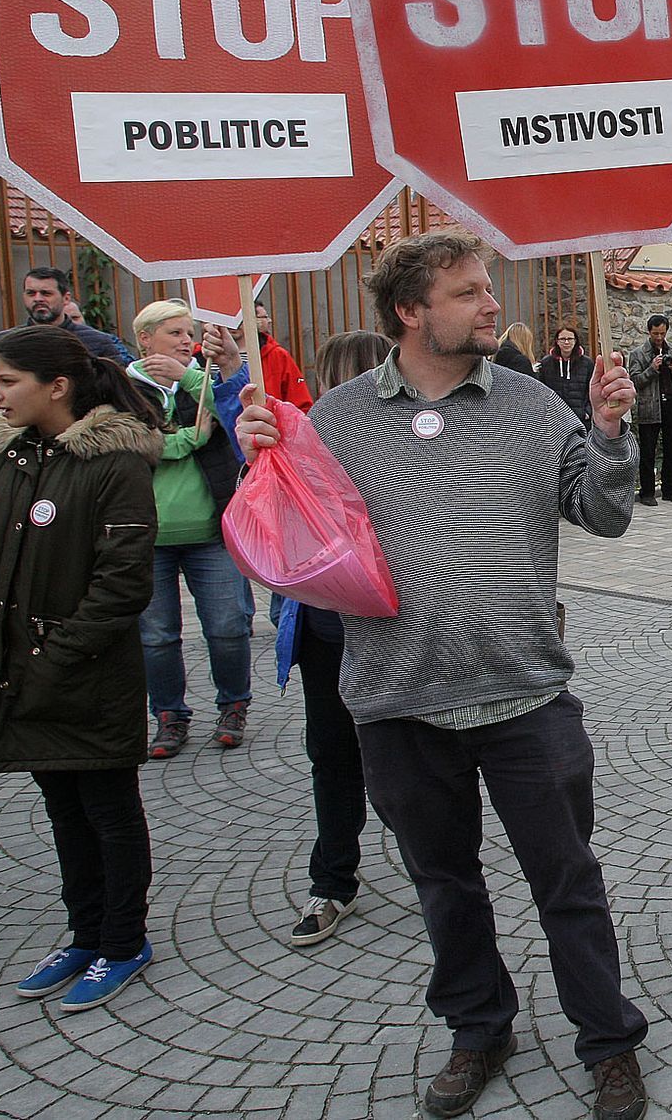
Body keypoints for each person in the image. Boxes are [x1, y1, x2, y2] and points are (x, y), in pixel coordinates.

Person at [235, 230, 652, 1120]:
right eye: (467, 293)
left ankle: (608, 1041)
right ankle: (478, 1026)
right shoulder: (339, 419)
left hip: (527, 693)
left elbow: (605, 516)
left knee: (568, 880)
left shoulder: (536, 407)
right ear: (409, 313)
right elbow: (291, 540)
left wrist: (611, 432)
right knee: (445, 883)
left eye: (486, 290)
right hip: (397, 701)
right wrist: (261, 456)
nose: (491, 305)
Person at [0, 326, 163, 1010]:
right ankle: (84, 933)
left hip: (89, 676)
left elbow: (124, 584)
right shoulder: (7, 461)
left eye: (8, 380)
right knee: (62, 809)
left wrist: (56, 657)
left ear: (58, 386)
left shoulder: (116, 464)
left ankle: (124, 940)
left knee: (107, 809)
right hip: (20, 674)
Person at [272, 330, 395, 949]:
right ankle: (333, 880)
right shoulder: (304, 443)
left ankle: (444, 871)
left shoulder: (405, 444)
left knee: (406, 757)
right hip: (327, 629)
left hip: (400, 633)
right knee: (333, 754)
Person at [127, 301, 252, 759]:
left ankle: (233, 707)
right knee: (156, 635)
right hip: (148, 535)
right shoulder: (122, 387)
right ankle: (169, 715)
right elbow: (131, 445)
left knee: (228, 627)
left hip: (210, 530)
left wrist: (193, 378)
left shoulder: (200, 382)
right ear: (145, 339)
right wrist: (188, 439)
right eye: (175, 333)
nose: (186, 341)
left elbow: (238, 421)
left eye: (189, 333)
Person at [0, 266, 134, 439]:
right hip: (22, 448)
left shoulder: (97, 341)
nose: (38, 299)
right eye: (31, 293)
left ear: (66, 298)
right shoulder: (2, 343)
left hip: (84, 446)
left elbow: (118, 392)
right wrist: (0, 444)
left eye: (46, 293)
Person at [632, 313, 672, 506]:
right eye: (655, 333)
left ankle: (670, 489)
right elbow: (635, 381)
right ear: (649, 332)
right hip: (650, 407)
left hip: (671, 404)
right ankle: (647, 492)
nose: (659, 337)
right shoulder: (638, 353)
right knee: (648, 452)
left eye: (662, 333)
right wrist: (651, 369)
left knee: (671, 450)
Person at [252, 301, 314, 412]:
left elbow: (301, 405)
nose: (269, 321)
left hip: (271, 426)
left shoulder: (277, 355)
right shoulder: (214, 355)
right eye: (265, 317)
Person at [537, 324, 596, 425]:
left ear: (575, 341)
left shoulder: (587, 363)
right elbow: (541, 389)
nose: (566, 342)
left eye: (570, 339)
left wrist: (588, 411)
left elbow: (592, 388)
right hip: (554, 419)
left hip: (580, 419)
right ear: (557, 341)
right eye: (563, 339)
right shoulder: (546, 363)